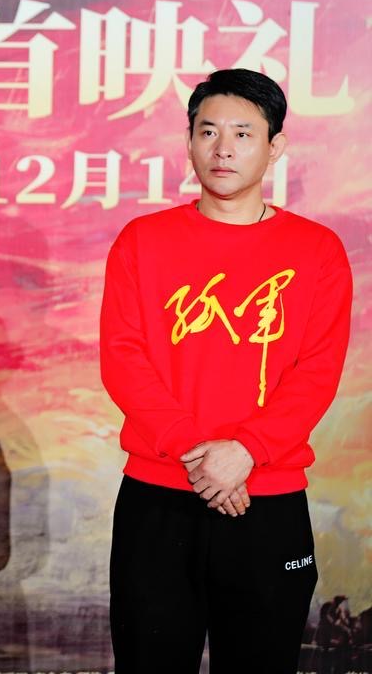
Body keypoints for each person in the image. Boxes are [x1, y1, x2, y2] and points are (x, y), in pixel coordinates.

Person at [101, 68, 352, 673]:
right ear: (189, 141)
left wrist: (248, 451)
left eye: (243, 133)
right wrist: (201, 456)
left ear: (275, 146)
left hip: (267, 499)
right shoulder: (142, 240)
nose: (223, 149)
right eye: (208, 131)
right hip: (160, 498)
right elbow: (123, 358)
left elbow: (317, 372)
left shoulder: (317, 250)